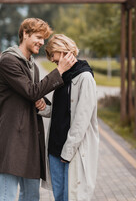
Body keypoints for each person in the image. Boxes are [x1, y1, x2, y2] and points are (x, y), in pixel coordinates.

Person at [0, 18, 76, 201]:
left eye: (44, 39)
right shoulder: (9, 62)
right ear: (25, 34)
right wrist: (59, 70)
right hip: (12, 141)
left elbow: (34, 94)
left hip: (31, 141)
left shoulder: (31, 65)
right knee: (6, 196)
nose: (41, 42)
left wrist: (42, 101)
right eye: (38, 37)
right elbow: (31, 91)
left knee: (31, 197)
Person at [38, 34, 99, 201]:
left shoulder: (85, 77)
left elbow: (82, 120)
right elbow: (60, 111)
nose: (57, 65)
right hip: (55, 149)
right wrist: (43, 107)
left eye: (57, 60)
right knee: (59, 197)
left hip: (72, 151)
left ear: (67, 52)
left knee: (71, 197)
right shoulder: (62, 75)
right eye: (55, 62)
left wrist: (67, 152)